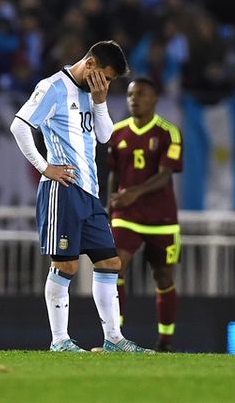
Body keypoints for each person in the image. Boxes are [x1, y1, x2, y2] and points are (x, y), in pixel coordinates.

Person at [9, 40, 150, 353]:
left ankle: (114, 340)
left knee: (110, 262)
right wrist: (46, 167)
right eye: (106, 77)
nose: (106, 83)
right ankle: (59, 341)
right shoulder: (52, 88)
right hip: (63, 190)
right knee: (66, 265)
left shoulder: (92, 94)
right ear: (90, 64)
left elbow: (105, 137)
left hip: (89, 192)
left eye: (111, 81)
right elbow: (19, 126)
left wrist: (100, 102)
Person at [107, 77, 183, 352]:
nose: (134, 99)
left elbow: (165, 176)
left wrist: (133, 192)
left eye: (140, 94)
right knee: (114, 267)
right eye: (130, 94)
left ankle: (164, 341)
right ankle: (114, 337)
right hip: (125, 214)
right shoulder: (117, 132)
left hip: (161, 218)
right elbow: (114, 173)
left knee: (163, 278)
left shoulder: (168, 132)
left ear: (154, 99)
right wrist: (109, 208)